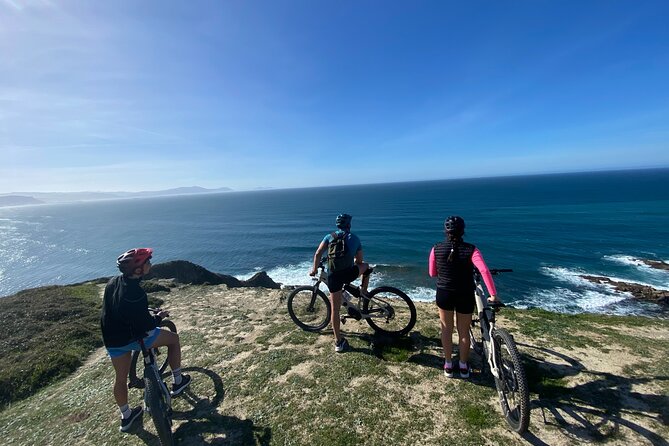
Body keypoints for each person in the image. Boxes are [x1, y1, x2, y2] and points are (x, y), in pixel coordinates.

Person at [100, 248, 191, 432]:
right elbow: (147, 325)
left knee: (120, 378)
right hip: (135, 337)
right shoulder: (136, 293)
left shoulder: (113, 283)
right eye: (147, 262)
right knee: (173, 340)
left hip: (112, 340)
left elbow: (120, 310)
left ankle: (126, 416)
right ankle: (178, 381)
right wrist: (159, 317)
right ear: (138, 270)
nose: (150, 263)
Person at [428, 216, 500, 378]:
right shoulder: (471, 249)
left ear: (445, 231)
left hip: (444, 293)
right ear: (463, 231)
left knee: (446, 329)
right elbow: (484, 271)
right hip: (465, 294)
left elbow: (432, 273)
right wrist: (493, 295)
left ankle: (447, 365)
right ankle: (462, 366)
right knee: (463, 332)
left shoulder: (436, 248)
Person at [310, 213, 370, 353]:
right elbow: (360, 261)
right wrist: (355, 261)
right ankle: (363, 291)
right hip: (348, 274)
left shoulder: (329, 237)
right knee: (366, 266)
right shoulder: (354, 238)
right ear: (349, 225)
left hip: (334, 277)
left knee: (335, 310)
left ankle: (338, 342)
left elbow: (318, 254)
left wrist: (314, 270)